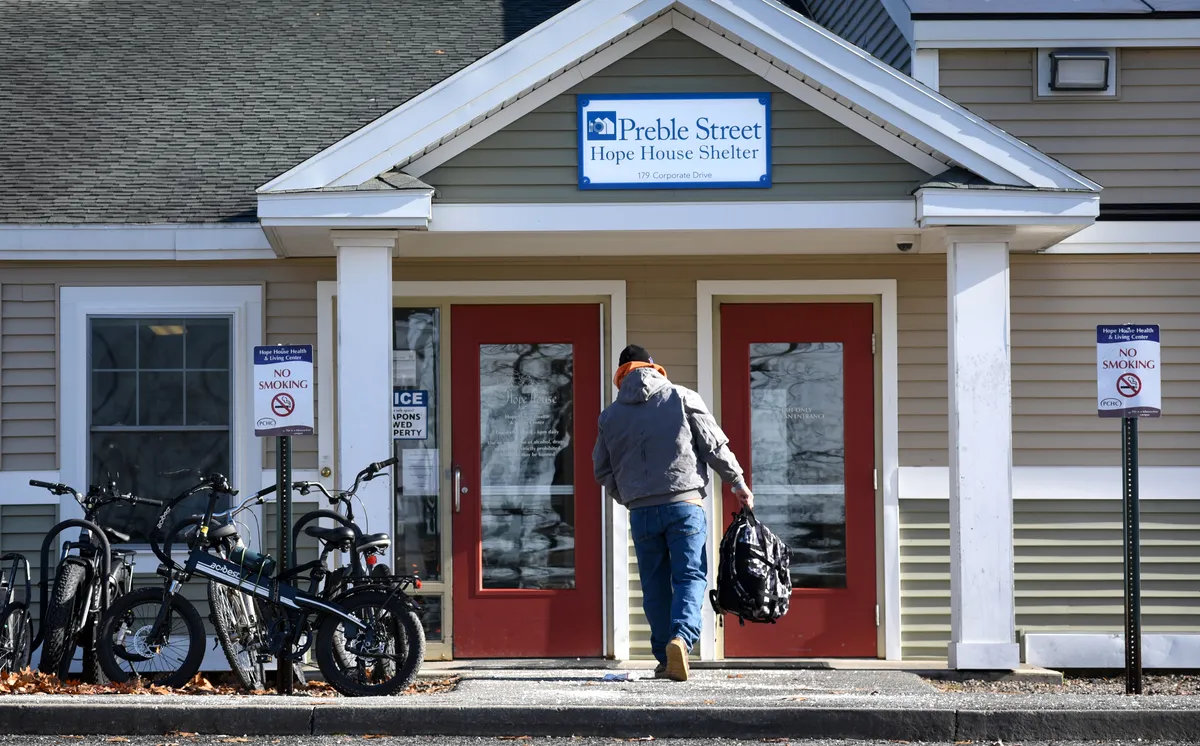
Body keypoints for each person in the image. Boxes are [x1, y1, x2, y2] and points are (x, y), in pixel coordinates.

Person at [593, 344, 753, 682]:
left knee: (654, 585)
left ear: (621, 376)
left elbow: (602, 471)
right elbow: (714, 447)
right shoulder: (682, 397)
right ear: (654, 367)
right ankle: (681, 638)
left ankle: (664, 658)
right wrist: (737, 483)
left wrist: (629, 497)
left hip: (641, 512)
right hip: (685, 505)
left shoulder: (609, 416)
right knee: (689, 576)